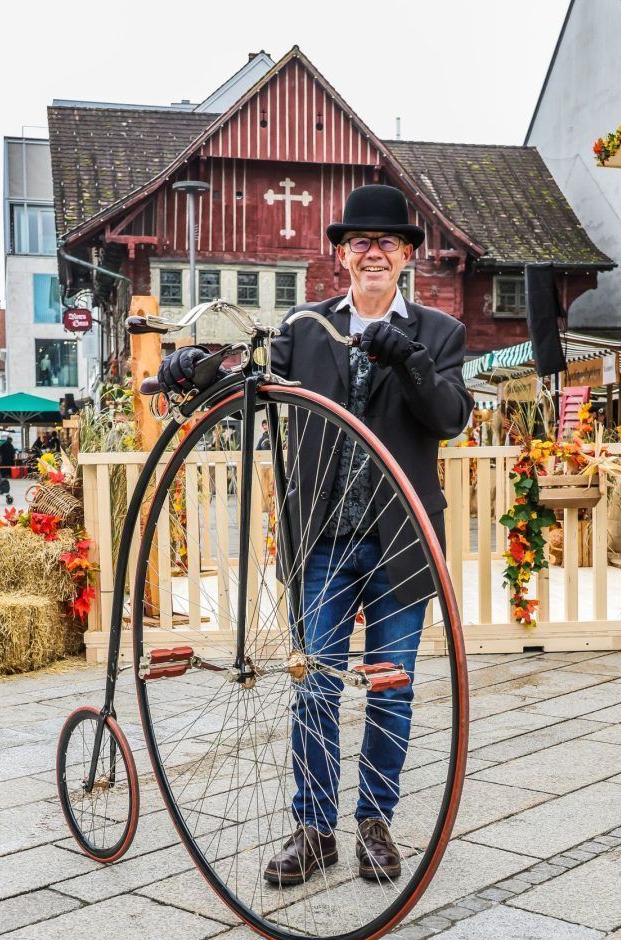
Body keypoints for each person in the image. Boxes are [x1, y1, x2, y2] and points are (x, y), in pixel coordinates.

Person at [155, 184, 473, 886]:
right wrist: (192, 369)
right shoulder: (304, 326)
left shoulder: (440, 332)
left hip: (399, 542)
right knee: (312, 686)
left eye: (388, 243)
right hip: (322, 539)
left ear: (408, 258)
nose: (373, 253)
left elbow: (450, 416)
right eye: (360, 242)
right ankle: (314, 828)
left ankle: (374, 824)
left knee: (392, 688)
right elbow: (250, 387)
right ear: (339, 254)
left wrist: (410, 361)